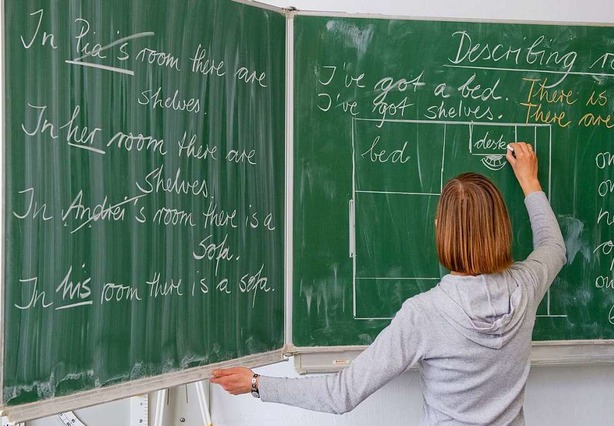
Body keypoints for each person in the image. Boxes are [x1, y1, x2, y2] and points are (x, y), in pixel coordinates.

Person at [210, 142, 567, 425]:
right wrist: (530, 181)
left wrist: (257, 384)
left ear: (440, 229)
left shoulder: (425, 315)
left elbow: (342, 395)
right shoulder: (526, 287)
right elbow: (553, 246)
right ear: (501, 228)